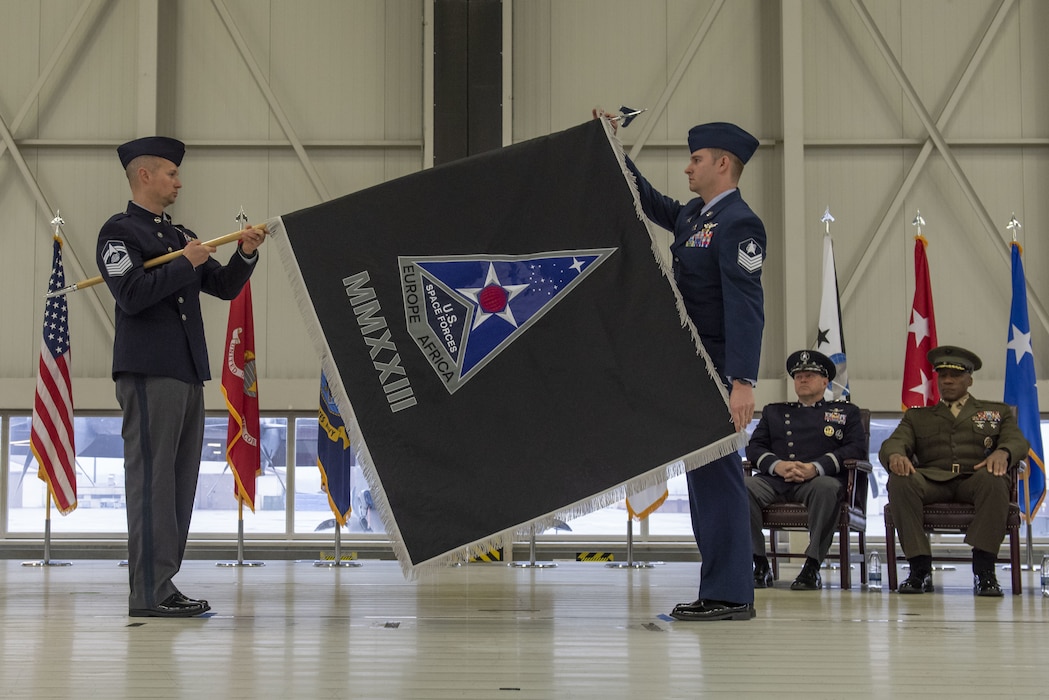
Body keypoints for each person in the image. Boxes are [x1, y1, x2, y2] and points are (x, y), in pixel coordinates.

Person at [597, 112, 765, 621]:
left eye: (696, 159)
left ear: (722, 163)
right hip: (693, 367)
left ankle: (732, 593)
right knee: (704, 480)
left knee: (719, 480)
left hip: (718, 369)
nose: (688, 168)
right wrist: (612, 147)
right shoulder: (696, 217)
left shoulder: (740, 224)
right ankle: (719, 587)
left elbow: (745, 303)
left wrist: (742, 381)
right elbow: (650, 202)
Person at [96, 136, 266, 617]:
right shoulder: (119, 233)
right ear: (144, 175)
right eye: (171, 173)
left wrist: (246, 255)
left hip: (186, 371)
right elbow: (131, 293)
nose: (178, 181)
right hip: (149, 372)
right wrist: (185, 264)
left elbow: (223, 285)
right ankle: (147, 593)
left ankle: (163, 583)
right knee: (152, 482)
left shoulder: (177, 237)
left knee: (177, 483)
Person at [880, 345, 1029, 597]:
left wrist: (1003, 452)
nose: (948, 380)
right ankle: (919, 569)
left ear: (969, 380)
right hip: (932, 482)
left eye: (956, 375)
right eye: (943, 375)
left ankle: (984, 571)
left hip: (975, 480)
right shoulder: (918, 417)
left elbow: (1018, 441)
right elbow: (893, 443)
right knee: (900, 481)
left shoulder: (996, 412)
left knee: (995, 479)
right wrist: (895, 455)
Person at [745, 350, 867, 590]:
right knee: (743, 487)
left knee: (828, 488)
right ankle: (759, 563)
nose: (802, 379)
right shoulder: (774, 411)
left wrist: (816, 467)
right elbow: (755, 447)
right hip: (776, 480)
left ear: (825, 382)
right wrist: (777, 465)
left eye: (809, 375)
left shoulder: (845, 412)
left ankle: (812, 566)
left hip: (817, 480)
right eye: (798, 375)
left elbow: (855, 449)